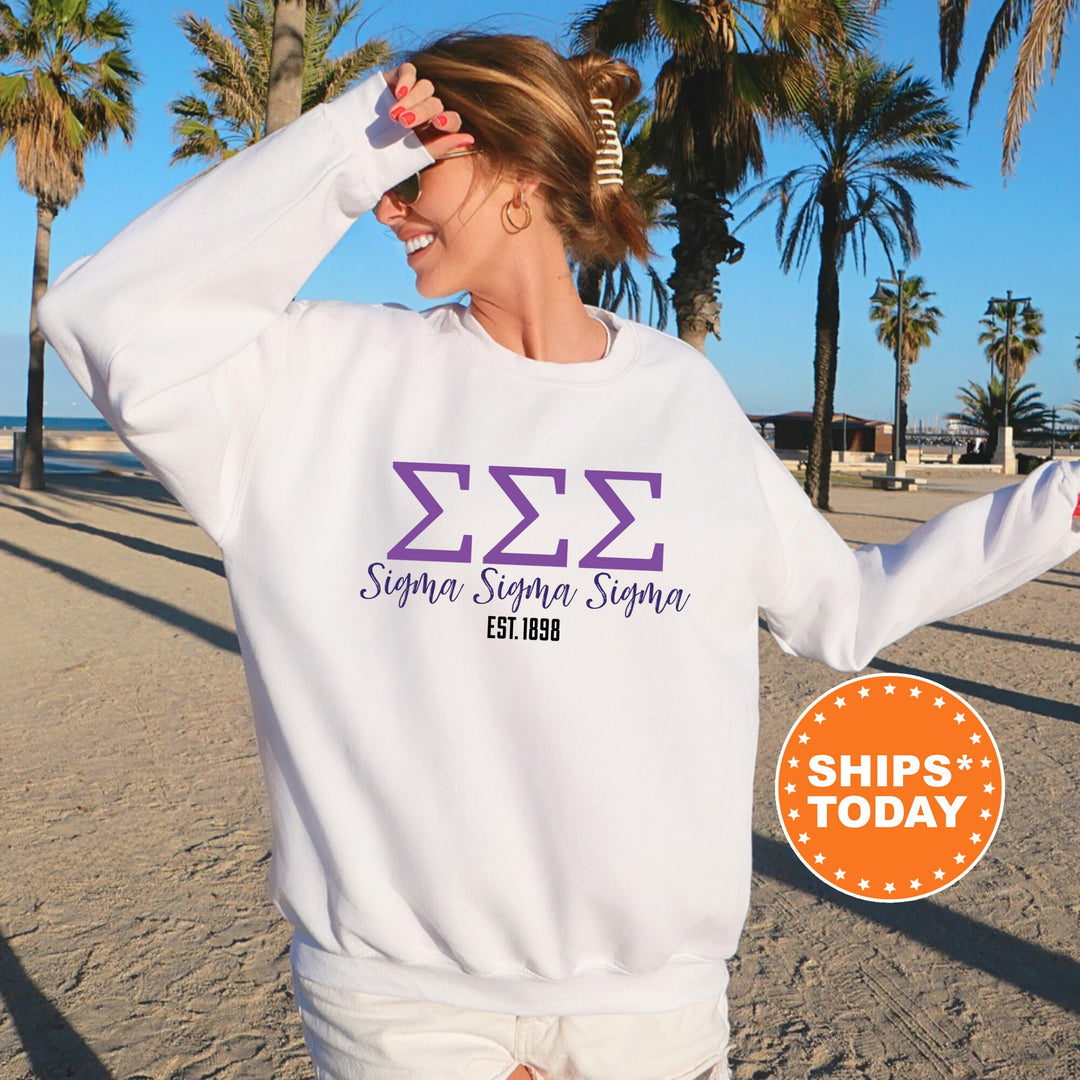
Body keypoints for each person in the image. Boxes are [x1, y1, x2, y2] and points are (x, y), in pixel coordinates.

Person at [36, 31, 1080, 1080]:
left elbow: (842, 610)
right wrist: (359, 140)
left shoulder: (679, 398)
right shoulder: (315, 381)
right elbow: (101, 315)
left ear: (521, 169)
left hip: (650, 1014)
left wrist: (1063, 499)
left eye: (415, 173)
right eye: (388, 176)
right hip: (402, 1008)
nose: (391, 208)